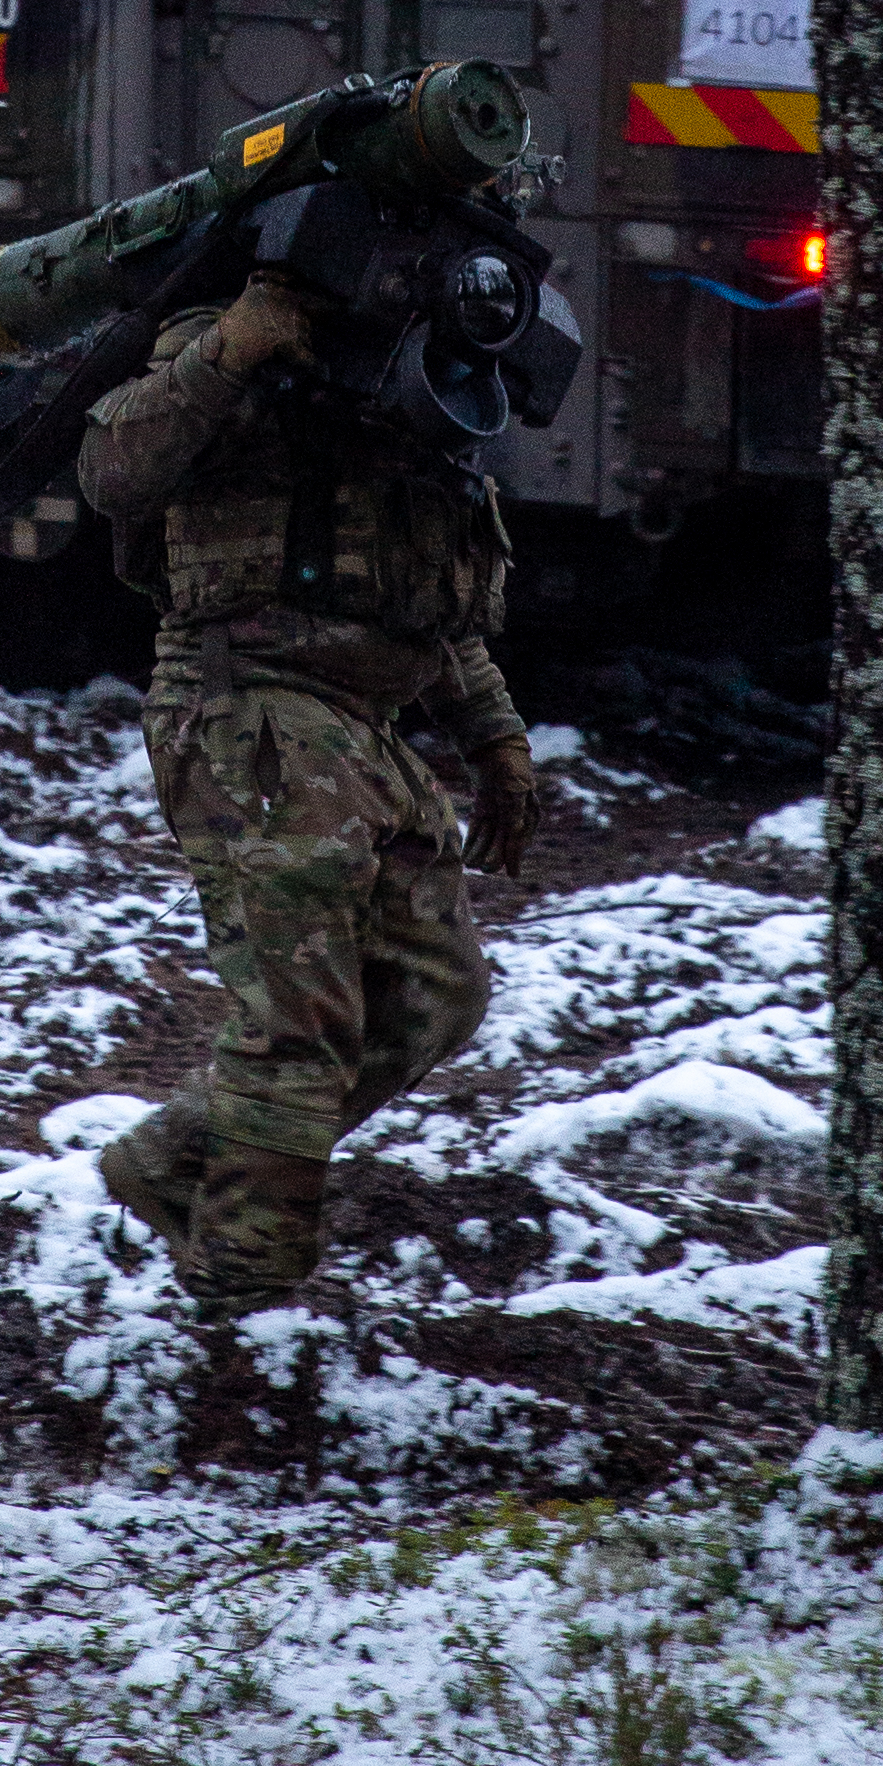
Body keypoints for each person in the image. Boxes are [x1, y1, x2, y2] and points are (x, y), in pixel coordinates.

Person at [77, 266, 537, 1315]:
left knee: (435, 992)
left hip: (360, 732)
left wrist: (492, 732)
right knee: (302, 1019)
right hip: (253, 712)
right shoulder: (232, 332)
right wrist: (229, 349)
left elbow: (425, 578)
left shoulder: (410, 366)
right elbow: (111, 466)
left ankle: (181, 1155)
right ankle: (245, 1293)